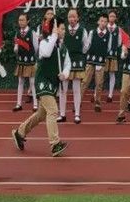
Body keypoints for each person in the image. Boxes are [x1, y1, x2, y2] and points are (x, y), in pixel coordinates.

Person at [12, 16, 70, 157]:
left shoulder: (63, 48)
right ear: (54, 29)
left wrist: (65, 74)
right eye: (61, 28)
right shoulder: (45, 42)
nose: (64, 30)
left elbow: (68, 64)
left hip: (54, 83)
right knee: (53, 110)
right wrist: (54, 36)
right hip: (43, 81)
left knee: (41, 114)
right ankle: (55, 144)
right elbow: (46, 53)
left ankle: (20, 132)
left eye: (63, 28)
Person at [60, 9, 86, 124]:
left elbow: (85, 46)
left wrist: (78, 54)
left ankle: (77, 114)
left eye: (74, 16)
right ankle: (62, 114)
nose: (72, 19)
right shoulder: (63, 30)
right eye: (70, 16)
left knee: (76, 89)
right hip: (65, 62)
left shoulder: (82, 30)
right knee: (63, 90)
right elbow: (60, 45)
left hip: (76, 62)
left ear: (78, 18)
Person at [83, 14, 112, 112]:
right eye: (101, 21)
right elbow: (87, 45)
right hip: (91, 60)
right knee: (85, 82)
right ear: (98, 22)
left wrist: (102, 56)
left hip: (101, 61)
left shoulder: (109, 35)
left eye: (105, 21)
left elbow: (108, 47)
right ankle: (78, 102)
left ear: (107, 23)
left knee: (99, 83)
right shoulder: (92, 32)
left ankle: (98, 103)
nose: (103, 23)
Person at [12, 13, 38, 112]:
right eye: (19, 20)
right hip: (21, 61)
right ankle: (18, 104)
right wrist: (15, 49)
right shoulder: (17, 33)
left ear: (28, 21)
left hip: (30, 61)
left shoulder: (32, 32)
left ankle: (35, 104)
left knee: (32, 82)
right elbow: (16, 45)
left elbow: (36, 47)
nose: (21, 22)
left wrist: (32, 57)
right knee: (20, 82)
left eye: (23, 20)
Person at [105, 10, 122, 104]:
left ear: (115, 18)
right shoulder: (104, 27)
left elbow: (119, 42)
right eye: (110, 16)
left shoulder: (118, 29)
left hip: (113, 54)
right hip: (104, 55)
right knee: (100, 75)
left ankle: (110, 95)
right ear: (108, 17)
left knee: (112, 74)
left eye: (113, 16)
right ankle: (96, 94)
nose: (111, 18)